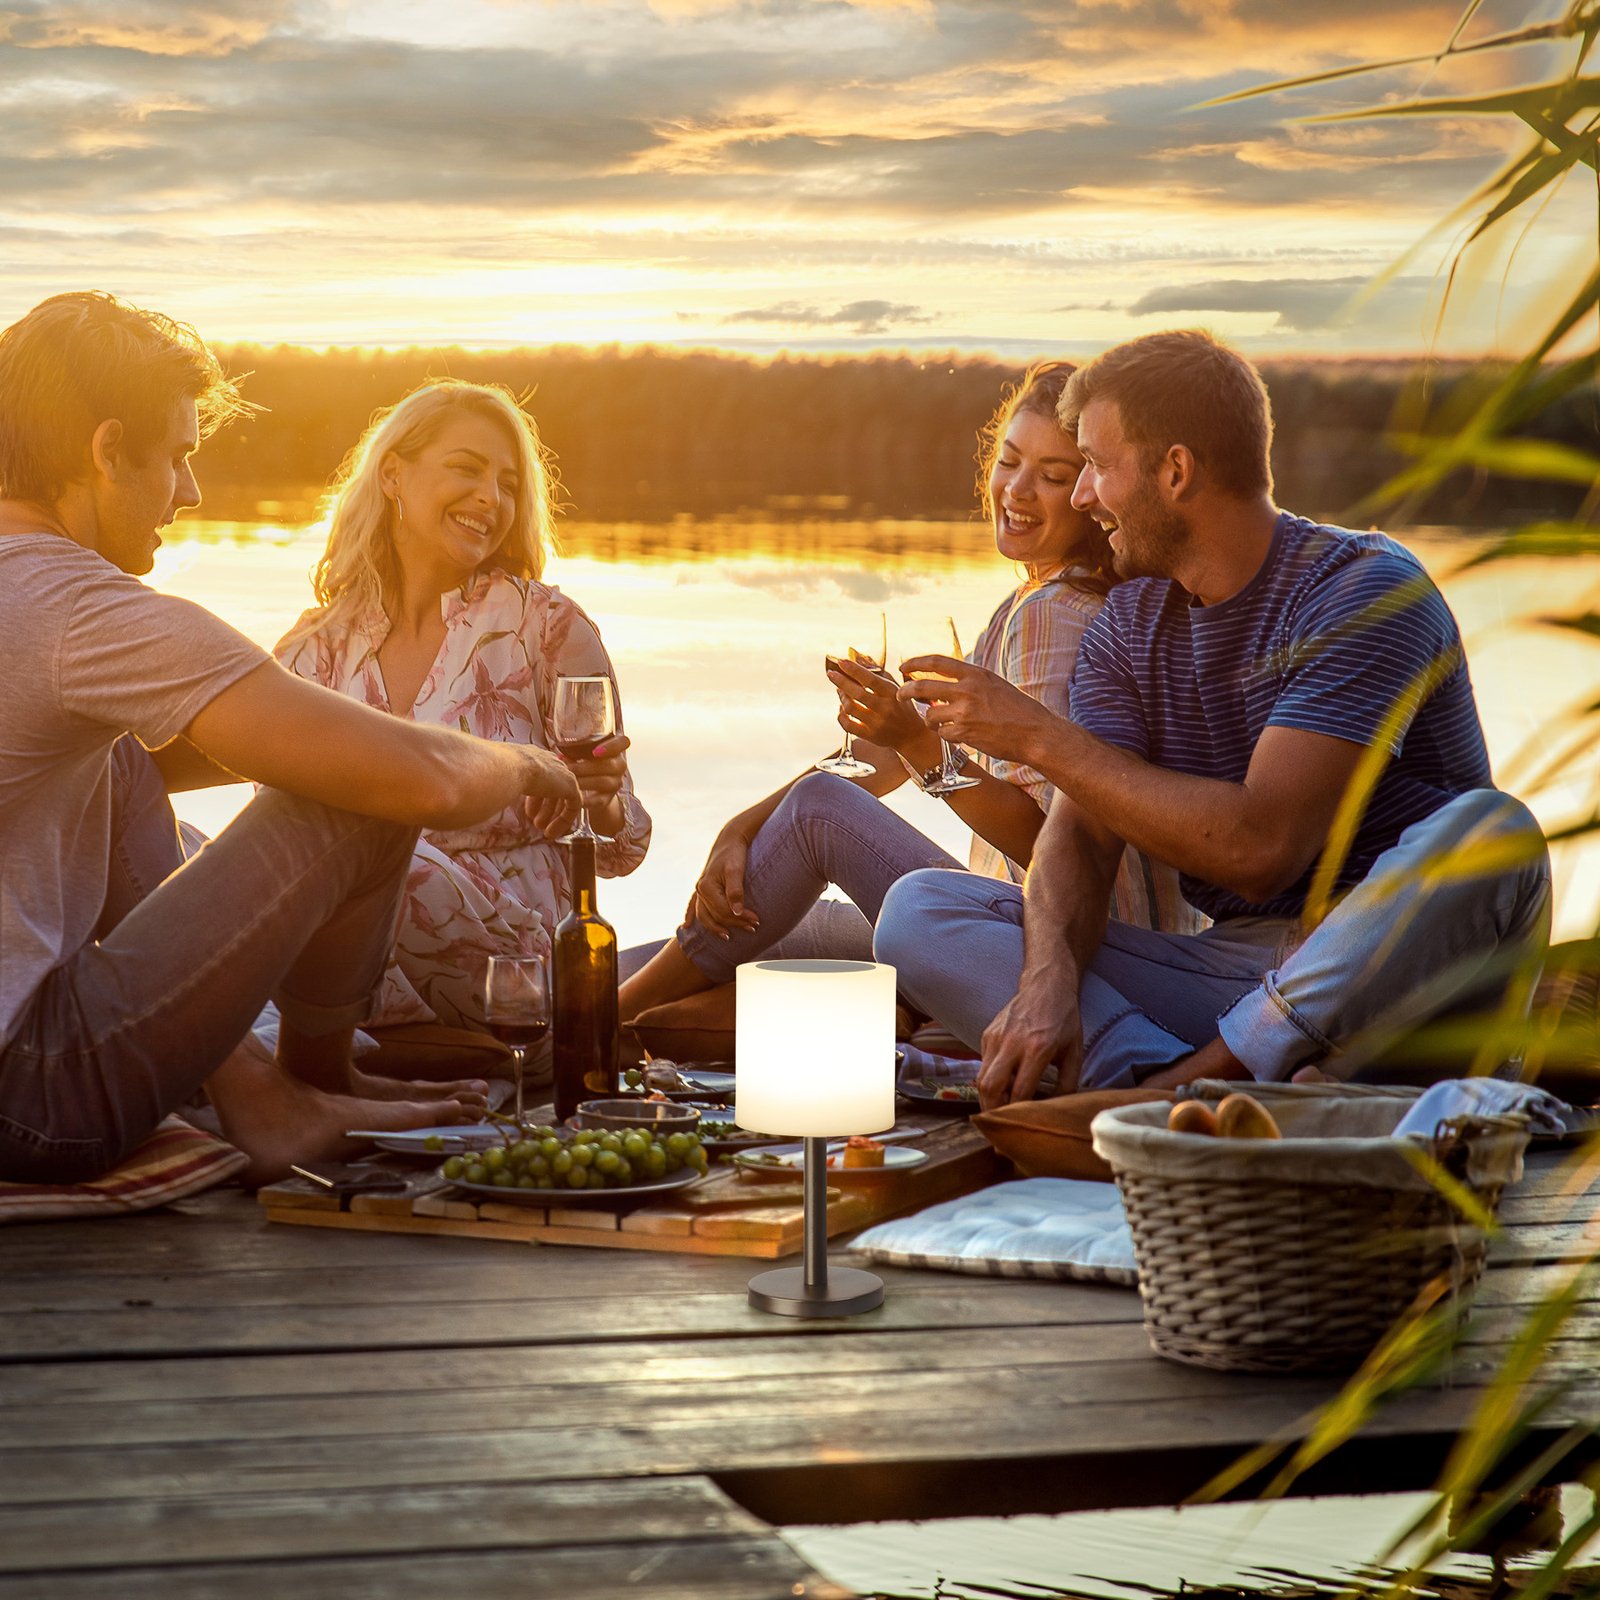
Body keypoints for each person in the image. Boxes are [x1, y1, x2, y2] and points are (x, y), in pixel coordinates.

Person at [878, 329, 1552, 1108]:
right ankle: (1178, 1092)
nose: (1084, 497)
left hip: (1403, 987)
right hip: (1228, 976)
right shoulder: (1131, 621)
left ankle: (1179, 1090)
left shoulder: (1364, 592)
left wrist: (1035, 735)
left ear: (1175, 471)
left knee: (1492, 835)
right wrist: (1046, 986)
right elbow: (1083, 838)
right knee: (921, 910)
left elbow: (1261, 848)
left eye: (1094, 465)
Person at [0, 291, 582, 1187]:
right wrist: (529, 763)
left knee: (114, 758)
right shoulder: (78, 610)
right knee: (361, 793)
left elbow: (170, 759)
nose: (189, 493)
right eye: (177, 457)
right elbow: (416, 782)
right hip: (33, 1097)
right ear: (107, 449)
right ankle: (311, 1080)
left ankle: (258, 1090)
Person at [618, 362, 1201, 1028]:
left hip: (1063, 957)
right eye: (1009, 462)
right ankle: (614, 1018)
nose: (1017, 490)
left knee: (817, 815)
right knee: (795, 932)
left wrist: (918, 745)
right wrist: (739, 829)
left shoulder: (1055, 615)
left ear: (1094, 494)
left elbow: (1055, 844)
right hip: (1022, 929)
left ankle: (598, 1030)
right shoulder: (1038, 601)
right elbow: (879, 757)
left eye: (1054, 476)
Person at [275, 381, 649, 1034]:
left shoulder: (545, 626)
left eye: (507, 483)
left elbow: (625, 844)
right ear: (393, 474)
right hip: (351, 963)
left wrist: (600, 798)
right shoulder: (314, 649)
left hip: (512, 965)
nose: (491, 498)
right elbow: (278, 830)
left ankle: (401, 1051)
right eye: (467, 469)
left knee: (383, 857)